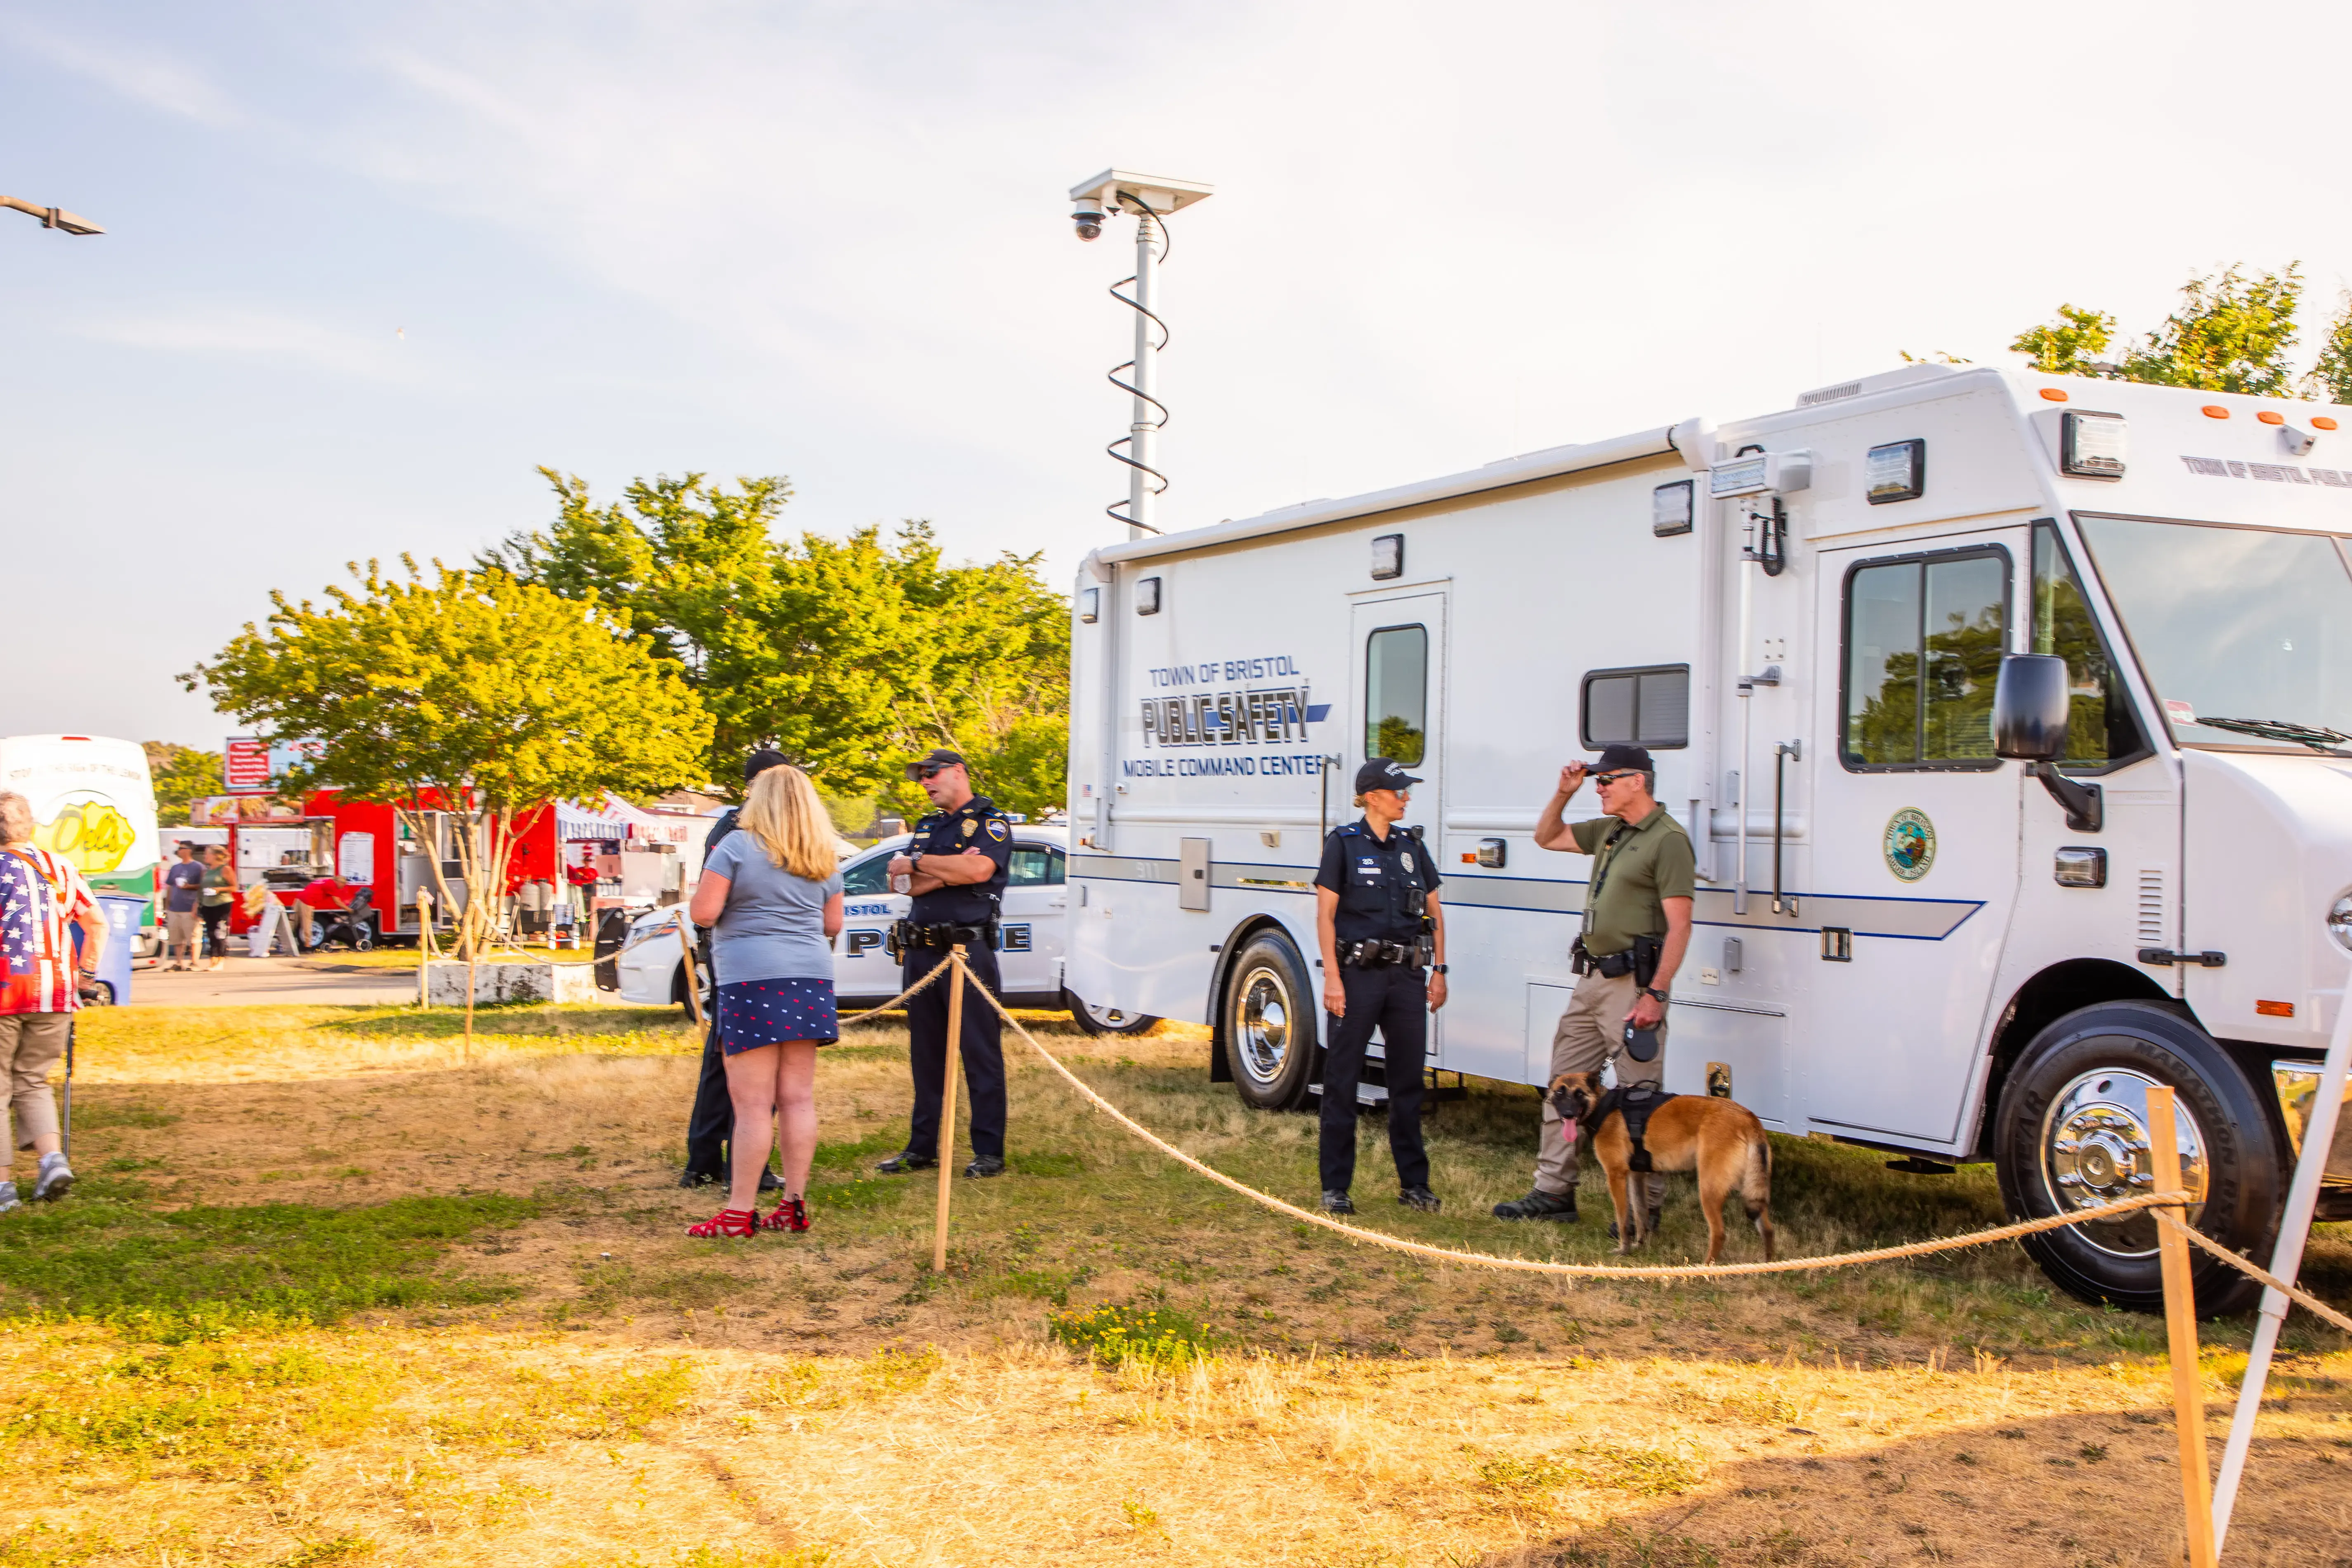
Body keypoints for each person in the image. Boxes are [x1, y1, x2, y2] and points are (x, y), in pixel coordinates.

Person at [1492, 745, 1695, 1229]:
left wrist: (1657, 993)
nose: (1598, 787)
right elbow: (1547, 836)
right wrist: (1564, 793)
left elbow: (1681, 925)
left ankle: (1645, 1209)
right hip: (1591, 979)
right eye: (1596, 780)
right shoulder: (1611, 830)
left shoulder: (1668, 840)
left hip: (1632, 985)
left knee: (1639, 1096)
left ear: (1638, 781)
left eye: (1606, 780)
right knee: (1562, 1083)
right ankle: (1553, 1192)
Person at [680, 763, 845, 1237]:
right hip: (810, 977)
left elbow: (705, 912)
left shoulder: (736, 846)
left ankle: (738, 1211)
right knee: (797, 1098)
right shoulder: (823, 855)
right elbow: (832, 925)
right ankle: (793, 1203)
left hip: (752, 979)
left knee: (752, 1103)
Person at [1312, 758, 1449, 1216]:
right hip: (1357, 978)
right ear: (1372, 796)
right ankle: (1336, 1187)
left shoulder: (1412, 847)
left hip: (1407, 978)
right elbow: (1325, 916)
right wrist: (1332, 975)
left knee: (1409, 1082)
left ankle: (1415, 1184)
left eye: (1406, 791)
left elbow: (1434, 911)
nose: (1406, 797)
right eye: (1398, 791)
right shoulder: (1344, 845)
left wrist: (1440, 970)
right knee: (1342, 1080)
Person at [875, 749, 1013, 1180]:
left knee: (979, 1053)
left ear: (958, 772)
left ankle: (988, 1151)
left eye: (931, 774)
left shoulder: (990, 821)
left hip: (966, 951)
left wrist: (922, 865)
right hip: (921, 952)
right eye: (921, 777)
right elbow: (902, 884)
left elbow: (978, 869)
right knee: (926, 1054)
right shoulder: (929, 825)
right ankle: (922, 1148)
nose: (926, 783)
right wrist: (941, 870)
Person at [679, 748, 793, 1189]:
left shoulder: (727, 825)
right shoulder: (755, 828)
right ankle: (750, 1167)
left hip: (730, 955)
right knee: (758, 1068)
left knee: (721, 1060)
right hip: (750, 958)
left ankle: (703, 1160)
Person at [0, 791, 105, 1211]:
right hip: (55, 990)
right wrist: (87, 975)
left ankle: (4, 1188)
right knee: (32, 1078)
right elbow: (95, 922)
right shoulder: (59, 867)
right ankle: (52, 1159)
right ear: (31, 825)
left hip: (6, 988)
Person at [160, 842, 204, 971]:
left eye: (181, 849)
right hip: (175, 907)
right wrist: (167, 905)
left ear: (189, 850)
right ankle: (179, 963)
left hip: (190, 907)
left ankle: (194, 962)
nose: (179, 851)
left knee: (193, 937)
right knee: (176, 937)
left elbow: (202, 886)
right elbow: (170, 886)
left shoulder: (198, 867)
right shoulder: (175, 868)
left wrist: (189, 887)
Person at [197, 845, 238, 971]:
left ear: (215, 855)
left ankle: (221, 959)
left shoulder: (225, 869)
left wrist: (219, 889)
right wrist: (198, 905)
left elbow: (234, 887)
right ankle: (213, 960)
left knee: (220, 932)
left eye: (207, 854)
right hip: (207, 904)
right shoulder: (206, 871)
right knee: (210, 933)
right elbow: (201, 889)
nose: (205, 857)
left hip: (222, 904)